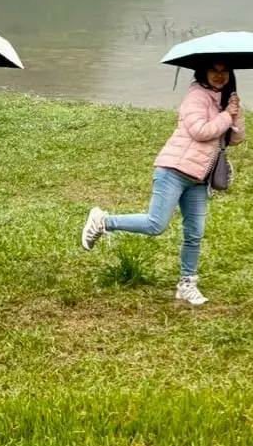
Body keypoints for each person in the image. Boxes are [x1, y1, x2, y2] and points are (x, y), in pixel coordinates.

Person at [81, 59, 243, 305]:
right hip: (174, 170)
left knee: (194, 234)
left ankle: (186, 284)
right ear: (203, 72)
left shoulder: (223, 100)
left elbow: (235, 138)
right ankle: (103, 221)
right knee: (155, 224)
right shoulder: (196, 96)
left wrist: (234, 112)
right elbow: (200, 131)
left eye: (224, 71)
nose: (219, 76)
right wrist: (225, 116)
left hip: (199, 179)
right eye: (213, 70)